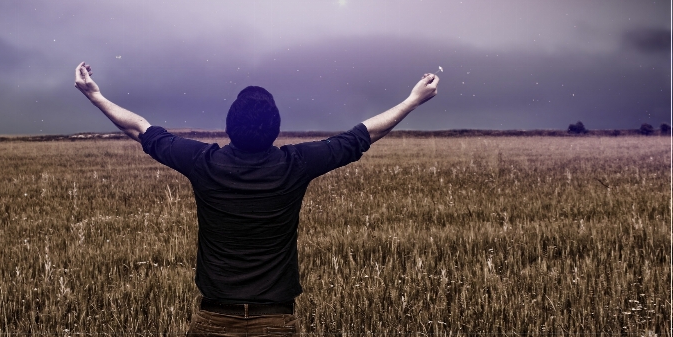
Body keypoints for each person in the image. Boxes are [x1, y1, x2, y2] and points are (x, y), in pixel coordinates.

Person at [74, 61, 439, 336]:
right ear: (276, 129)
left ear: (230, 127)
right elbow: (361, 135)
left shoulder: (204, 162)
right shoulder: (294, 164)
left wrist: (94, 95)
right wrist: (412, 100)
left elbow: (138, 127)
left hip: (213, 320)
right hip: (275, 323)